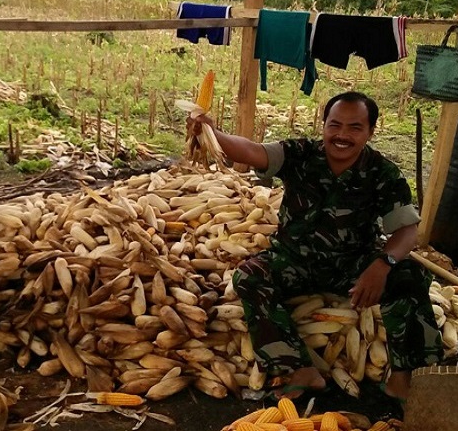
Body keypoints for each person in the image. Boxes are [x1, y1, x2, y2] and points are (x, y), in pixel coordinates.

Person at [188, 91, 443, 401]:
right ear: (324, 126)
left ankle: (405, 380)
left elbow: (406, 231)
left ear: (370, 132)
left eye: (354, 128)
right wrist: (211, 132)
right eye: (335, 125)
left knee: (411, 277)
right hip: (294, 260)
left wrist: (382, 265)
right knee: (249, 277)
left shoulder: (382, 173)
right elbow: (252, 151)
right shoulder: (300, 154)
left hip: (353, 265)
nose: (342, 135)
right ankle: (300, 370)